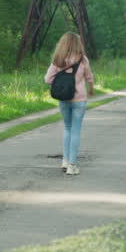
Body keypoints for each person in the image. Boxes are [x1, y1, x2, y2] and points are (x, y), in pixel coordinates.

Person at [44, 32, 95, 176]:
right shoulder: (83, 59)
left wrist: (61, 83)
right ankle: (72, 165)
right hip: (79, 99)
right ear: (78, 44)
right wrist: (91, 88)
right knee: (76, 130)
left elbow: (48, 79)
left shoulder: (58, 59)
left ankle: (65, 161)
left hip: (64, 99)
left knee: (67, 128)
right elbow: (89, 77)